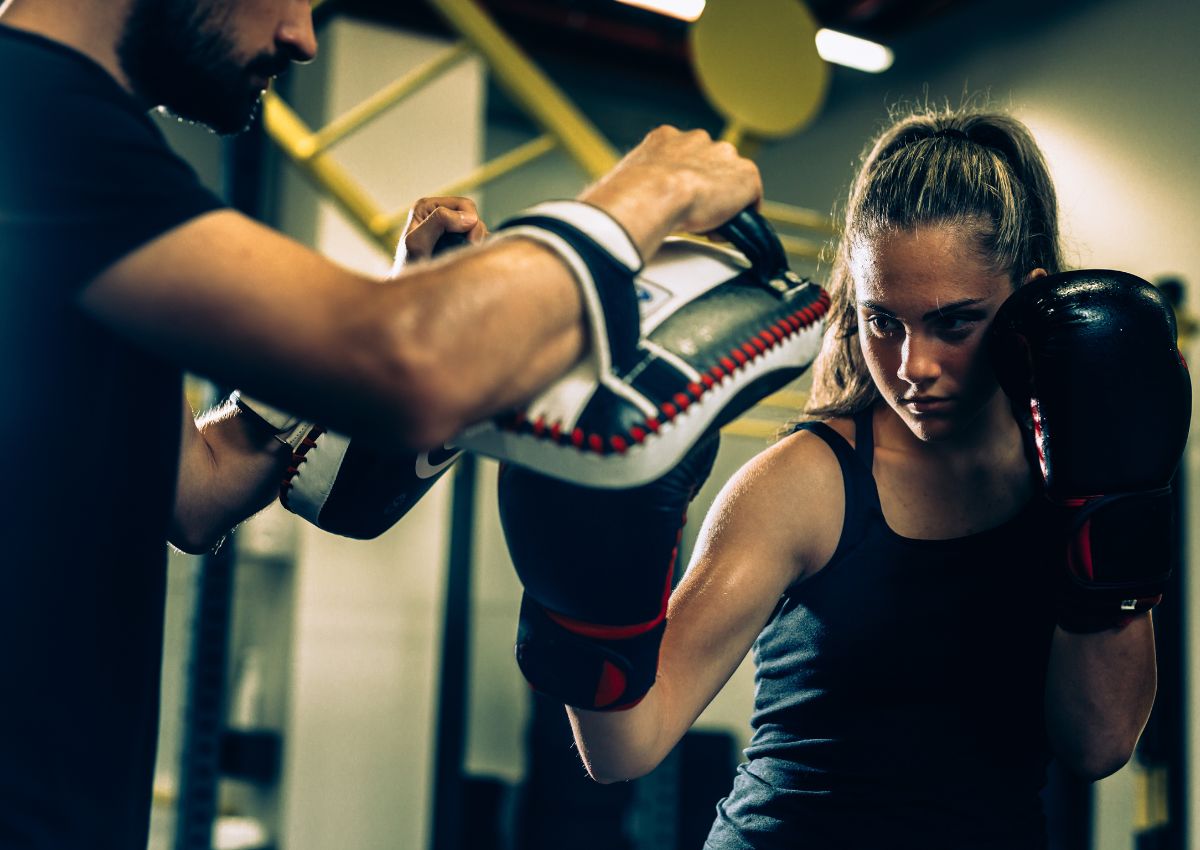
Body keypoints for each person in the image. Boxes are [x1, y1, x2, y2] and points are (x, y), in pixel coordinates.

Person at [0, 0, 766, 846]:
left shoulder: (70, 142)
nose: (301, 36)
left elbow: (199, 486)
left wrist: (394, 317)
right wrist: (647, 192)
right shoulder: (31, 110)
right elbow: (409, 367)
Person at [496, 103, 1190, 848]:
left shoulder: (1075, 467)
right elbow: (624, 747)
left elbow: (1100, 744)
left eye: (954, 322)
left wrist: (1110, 510)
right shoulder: (805, 485)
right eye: (882, 321)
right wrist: (587, 580)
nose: (913, 367)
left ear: (1029, 296)